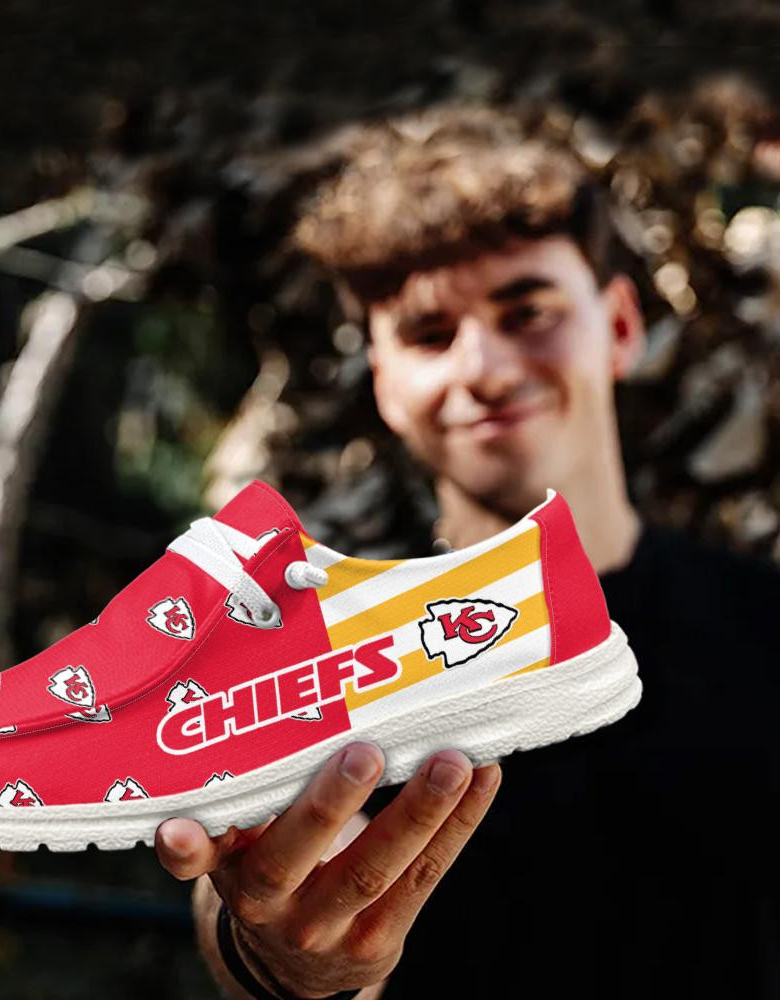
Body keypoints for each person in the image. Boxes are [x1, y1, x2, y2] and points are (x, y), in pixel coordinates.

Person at [154, 105, 780, 999]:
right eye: (429, 333)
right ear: (384, 382)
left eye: (527, 310)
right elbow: (263, 895)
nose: (483, 367)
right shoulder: (322, 662)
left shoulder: (766, 627)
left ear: (619, 326)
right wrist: (284, 952)